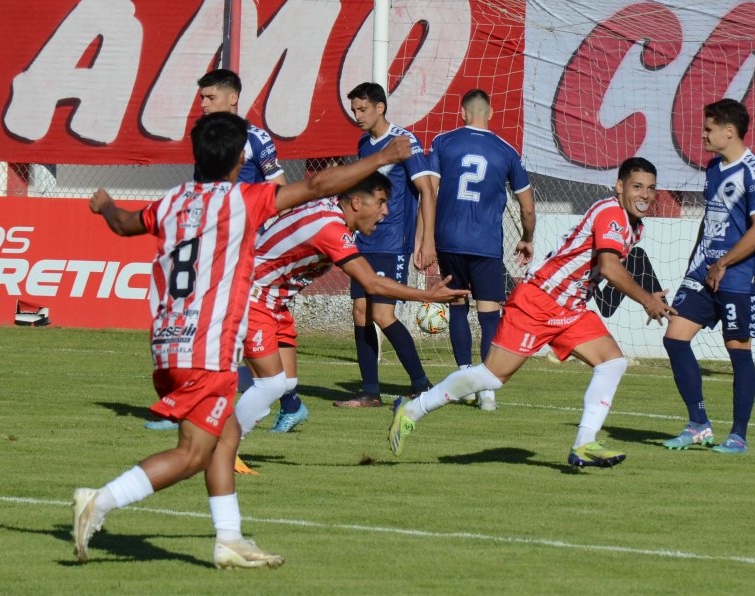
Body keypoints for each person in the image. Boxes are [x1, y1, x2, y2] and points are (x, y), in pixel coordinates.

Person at [72, 111, 414, 567]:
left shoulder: (173, 200)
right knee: (194, 453)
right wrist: (384, 156)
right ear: (239, 160)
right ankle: (99, 501)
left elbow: (123, 223)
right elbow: (316, 186)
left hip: (168, 338)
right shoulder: (240, 200)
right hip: (208, 343)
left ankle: (229, 539)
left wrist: (104, 205)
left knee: (225, 436)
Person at [388, 157, 676, 470]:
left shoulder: (634, 225)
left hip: (569, 308)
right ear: (620, 187)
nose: (645, 195)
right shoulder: (612, 214)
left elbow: (601, 267)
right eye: (637, 187)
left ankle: (584, 444)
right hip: (539, 301)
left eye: (651, 188)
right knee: (492, 377)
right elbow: (609, 267)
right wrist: (646, 299)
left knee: (612, 362)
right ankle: (412, 410)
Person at [234, 173, 468, 456]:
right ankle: (223, 450)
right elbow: (372, 283)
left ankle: (209, 379)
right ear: (357, 203)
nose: (386, 211)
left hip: (274, 302)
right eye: (381, 202)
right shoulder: (330, 227)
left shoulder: (334, 214)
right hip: (250, 294)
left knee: (286, 384)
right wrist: (426, 296)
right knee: (271, 385)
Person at [146, 68, 295, 432]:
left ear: (233, 99)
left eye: (210, 97)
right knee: (208, 326)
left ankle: (198, 406)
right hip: (212, 248)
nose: (203, 104)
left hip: (246, 252)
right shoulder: (206, 137)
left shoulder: (255, 139)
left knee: (225, 328)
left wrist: (266, 238)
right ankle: (285, 400)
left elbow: (279, 189)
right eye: (201, 98)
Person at [662, 99, 755, 455]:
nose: (703, 134)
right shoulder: (713, 167)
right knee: (675, 338)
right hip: (703, 270)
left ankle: (738, 436)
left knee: (738, 352)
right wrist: (695, 263)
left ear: (729, 131)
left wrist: (723, 263)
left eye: (708, 128)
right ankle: (698, 424)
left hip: (738, 276)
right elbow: (710, 219)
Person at [427, 88, 535, 411]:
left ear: (462, 113)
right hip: (486, 244)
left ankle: (462, 380)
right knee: (489, 314)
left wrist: (425, 238)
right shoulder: (507, 151)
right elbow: (527, 208)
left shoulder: (442, 142)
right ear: (490, 113)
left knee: (458, 307)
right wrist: (527, 237)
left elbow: (428, 192)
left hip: (448, 239)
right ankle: (487, 391)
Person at [333, 82, 438, 408]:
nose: (357, 115)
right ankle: (370, 392)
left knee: (381, 313)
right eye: (354, 110)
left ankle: (422, 384)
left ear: (380, 107)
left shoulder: (404, 142)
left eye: (362, 109)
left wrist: (427, 240)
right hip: (363, 240)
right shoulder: (364, 144)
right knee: (360, 311)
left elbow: (427, 190)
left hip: (393, 242)